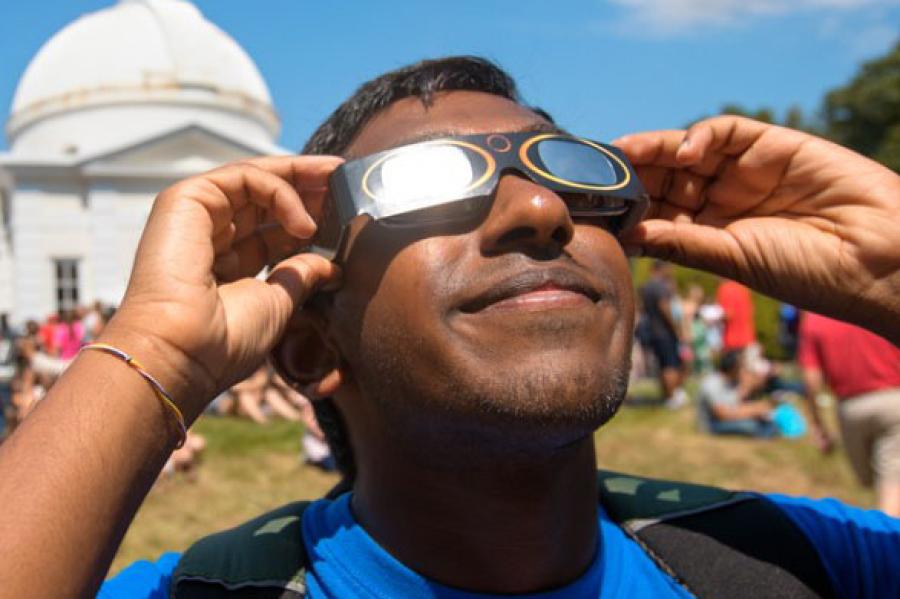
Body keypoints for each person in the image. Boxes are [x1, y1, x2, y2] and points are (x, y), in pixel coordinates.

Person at [0, 56, 898, 598]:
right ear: (314, 344)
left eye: (573, 172)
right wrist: (153, 351)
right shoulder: (214, 590)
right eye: (427, 184)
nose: (542, 208)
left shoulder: (795, 563)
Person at [798, 312, 900, 517]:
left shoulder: (815, 317)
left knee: (880, 485)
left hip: (850, 409)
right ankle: (883, 545)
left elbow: (811, 379)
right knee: (891, 487)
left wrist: (818, 425)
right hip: (894, 400)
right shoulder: (877, 304)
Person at [638, 261, 688, 407]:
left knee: (662, 365)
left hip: (652, 332)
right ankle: (672, 398)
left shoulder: (646, 287)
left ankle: (666, 395)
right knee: (670, 365)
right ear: (661, 269)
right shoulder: (660, 286)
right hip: (664, 332)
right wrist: (676, 328)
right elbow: (664, 307)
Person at [697, 349, 777, 437]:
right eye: (742, 367)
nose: (744, 370)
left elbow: (735, 403)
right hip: (712, 425)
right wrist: (753, 411)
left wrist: (757, 406)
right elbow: (722, 415)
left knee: (763, 419)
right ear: (733, 368)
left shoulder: (731, 381)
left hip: (726, 418)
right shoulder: (712, 384)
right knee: (750, 425)